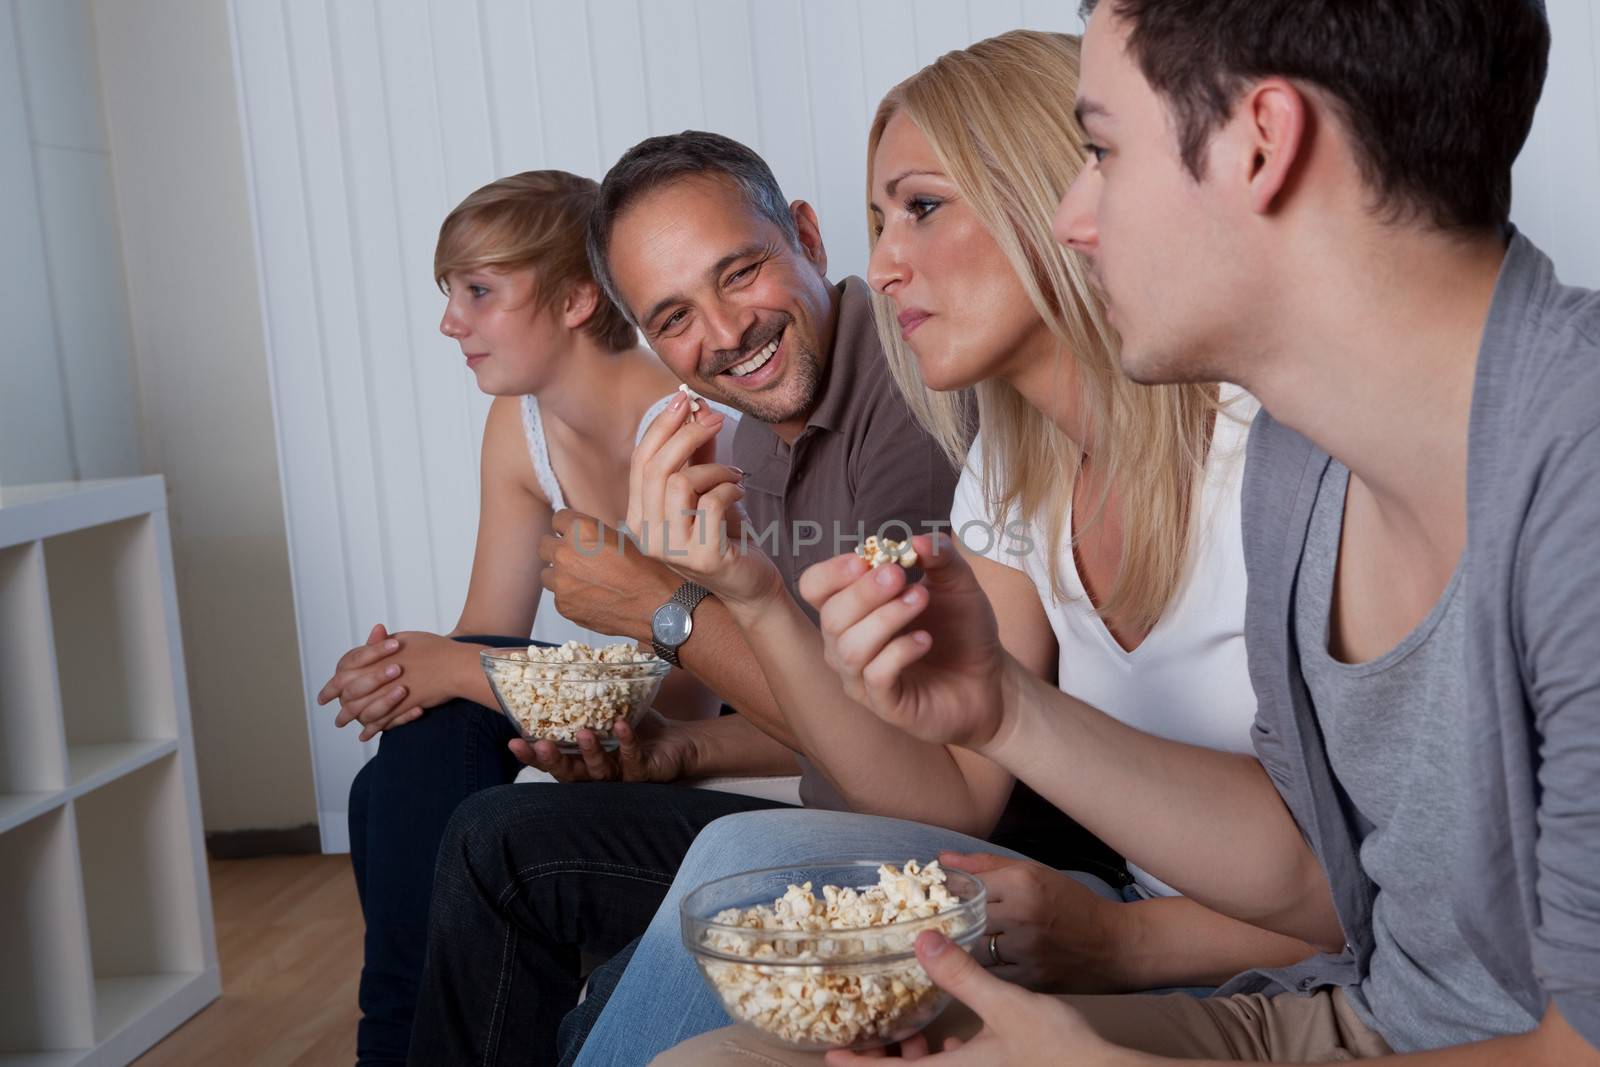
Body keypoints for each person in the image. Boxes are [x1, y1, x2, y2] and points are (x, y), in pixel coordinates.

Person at [682, 0, 1600, 1063]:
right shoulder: (1305, 464)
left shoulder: (1554, 465)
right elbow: (1322, 876)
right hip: (1365, 1015)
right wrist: (1004, 705)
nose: (1075, 217)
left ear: (1262, 142)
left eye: (1102, 151)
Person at [575, 30, 1312, 1065]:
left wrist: (1122, 937)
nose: (879, 265)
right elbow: (946, 788)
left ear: (1057, 196)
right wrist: (743, 587)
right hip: (1136, 926)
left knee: (726, 865)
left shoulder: (1275, 450)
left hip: (1276, 962)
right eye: (879, 221)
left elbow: (1390, 882)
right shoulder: (1010, 473)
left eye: (921, 207)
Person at [405, 133, 1009, 1067]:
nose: (725, 335)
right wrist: (681, 748)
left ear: (806, 234)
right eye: (675, 315)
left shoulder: (906, 394)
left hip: (915, 849)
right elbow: (820, 702)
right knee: (490, 830)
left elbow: (913, 751)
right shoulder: (764, 432)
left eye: (740, 273)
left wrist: (669, 608)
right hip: (841, 808)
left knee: (546, 916)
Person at [319, 169, 738, 1066]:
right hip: (645, 706)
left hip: (732, 719)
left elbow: (697, 693)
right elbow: (488, 634)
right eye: (449, 293)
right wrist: (407, 669)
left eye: (478, 291)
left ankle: (390, 1051)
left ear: (580, 297)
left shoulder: (688, 419)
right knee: (397, 770)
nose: (449, 322)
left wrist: (446, 666)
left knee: (414, 756)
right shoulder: (523, 425)